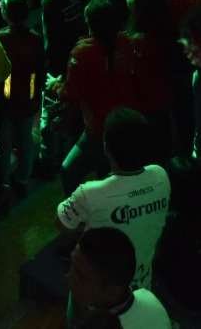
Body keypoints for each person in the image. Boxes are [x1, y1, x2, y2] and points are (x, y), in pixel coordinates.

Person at [56, 108, 170, 291]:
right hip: (143, 288)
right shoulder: (161, 176)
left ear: (106, 148)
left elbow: (62, 224)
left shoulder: (89, 193)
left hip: (99, 296)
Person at [67, 227, 171, 328]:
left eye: (80, 276)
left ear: (112, 291)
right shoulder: (147, 297)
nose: (68, 276)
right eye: (72, 264)